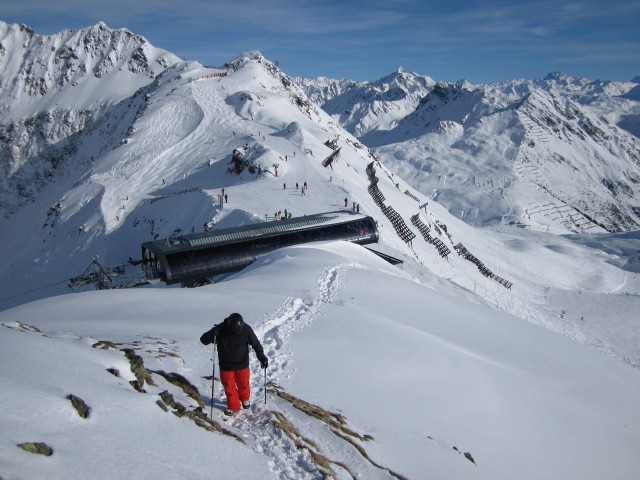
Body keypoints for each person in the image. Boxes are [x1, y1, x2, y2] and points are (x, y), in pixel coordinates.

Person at [200, 313, 268, 416]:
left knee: (243, 384)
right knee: (229, 387)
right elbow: (203, 340)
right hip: (226, 365)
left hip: (242, 364)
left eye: (238, 330)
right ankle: (234, 406)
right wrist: (212, 333)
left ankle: (245, 399)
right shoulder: (220, 329)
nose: (236, 332)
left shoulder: (246, 329)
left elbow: (256, 344)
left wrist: (262, 358)